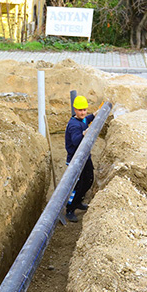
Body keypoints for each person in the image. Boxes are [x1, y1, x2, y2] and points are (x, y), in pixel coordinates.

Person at [64, 95, 95, 223]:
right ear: (75, 110)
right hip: (75, 159)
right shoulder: (73, 125)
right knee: (77, 185)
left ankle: (78, 201)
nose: (83, 112)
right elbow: (76, 141)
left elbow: (86, 119)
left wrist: (96, 114)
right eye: (80, 110)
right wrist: (84, 133)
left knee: (89, 180)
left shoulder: (82, 120)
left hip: (85, 156)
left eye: (84, 110)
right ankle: (70, 209)